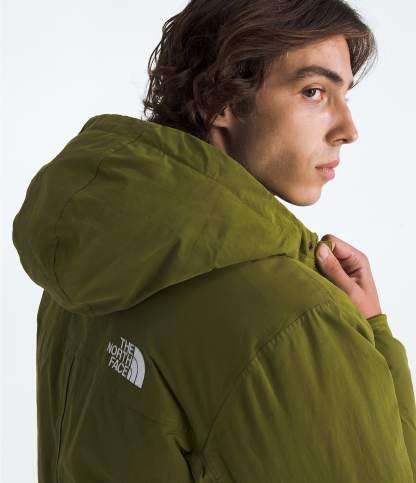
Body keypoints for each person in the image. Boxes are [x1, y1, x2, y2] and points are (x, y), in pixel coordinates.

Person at [12, 0, 416, 481]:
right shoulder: (292, 320)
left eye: (345, 95)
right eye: (313, 92)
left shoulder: (96, 257)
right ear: (220, 98)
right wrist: (369, 336)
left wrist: (370, 337)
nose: (348, 130)